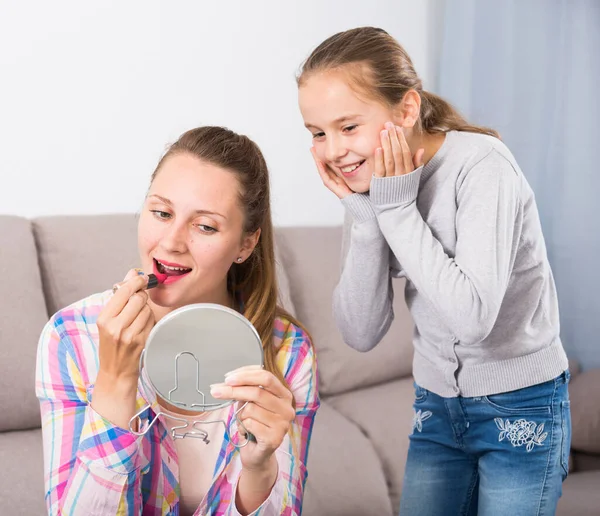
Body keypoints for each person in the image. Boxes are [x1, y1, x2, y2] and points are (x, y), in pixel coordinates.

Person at [297, 26, 570, 515]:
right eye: (318, 133)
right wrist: (366, 219)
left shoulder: (483, 168)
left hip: (521, 404)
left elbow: (473, 321)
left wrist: (396, 210)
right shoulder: (374, 186)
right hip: (436, 408)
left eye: (348, 127)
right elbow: (359, 333)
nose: (334, 150)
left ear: (405, 109)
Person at [36, 126, 319, 515]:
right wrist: (115, 383)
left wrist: (258, 470)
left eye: (205, 225)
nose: (170, 242)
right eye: (161, 213)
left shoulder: (287, 352)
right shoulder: (70, 338)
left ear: (245, 244)